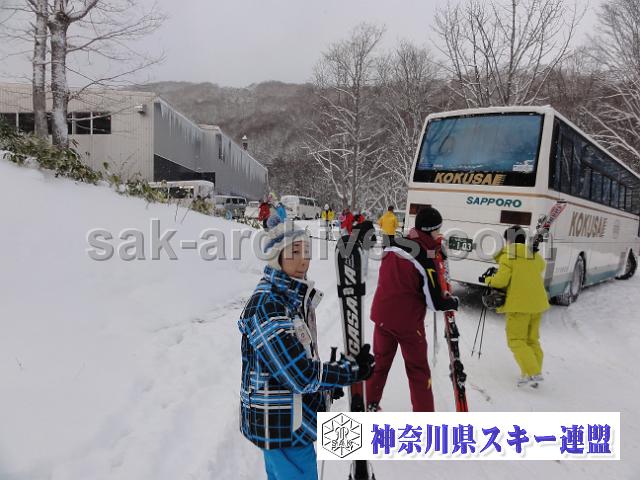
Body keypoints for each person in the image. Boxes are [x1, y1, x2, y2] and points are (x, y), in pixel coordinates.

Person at [238, 215, 375, 480]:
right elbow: (298, 375)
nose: (303, 260)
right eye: (294, 252)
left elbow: (296, 364)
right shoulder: (268, 307)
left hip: (287, 423)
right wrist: (347, 372)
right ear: (275, 257)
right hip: (284, 428)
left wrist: (327, 385)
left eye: (306, 251)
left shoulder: (290, 299)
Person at [365, 206, 459, 412]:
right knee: (418, 371)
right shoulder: (425, 258)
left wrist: (434, 252)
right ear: (431, 230)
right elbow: (435, 303)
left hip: (382, 317)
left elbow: (411, 254)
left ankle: (369, 404)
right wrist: (452, 302)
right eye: (438, 230)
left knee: (379, 364)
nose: (439, 233)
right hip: (407, 324)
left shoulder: (395, 244)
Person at [482, 225, 550, 388]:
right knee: (532, 340)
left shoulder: (509, 256)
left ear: (508, 240)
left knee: (516, 340)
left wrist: (487, 280)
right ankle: (530, 374)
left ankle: (533, 372)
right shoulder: (534, 256)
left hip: (519, 305)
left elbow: (500, 281)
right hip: (537, 304)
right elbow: (541, 266)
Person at [351, 213, 376, 278]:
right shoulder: (370, 225)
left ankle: (360, 272)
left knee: (360, 258)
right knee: (365, 258)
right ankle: (364, 273)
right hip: (366, 243)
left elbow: (354, 234)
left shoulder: (358, 225)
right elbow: (373, 236)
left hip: (360, 244)